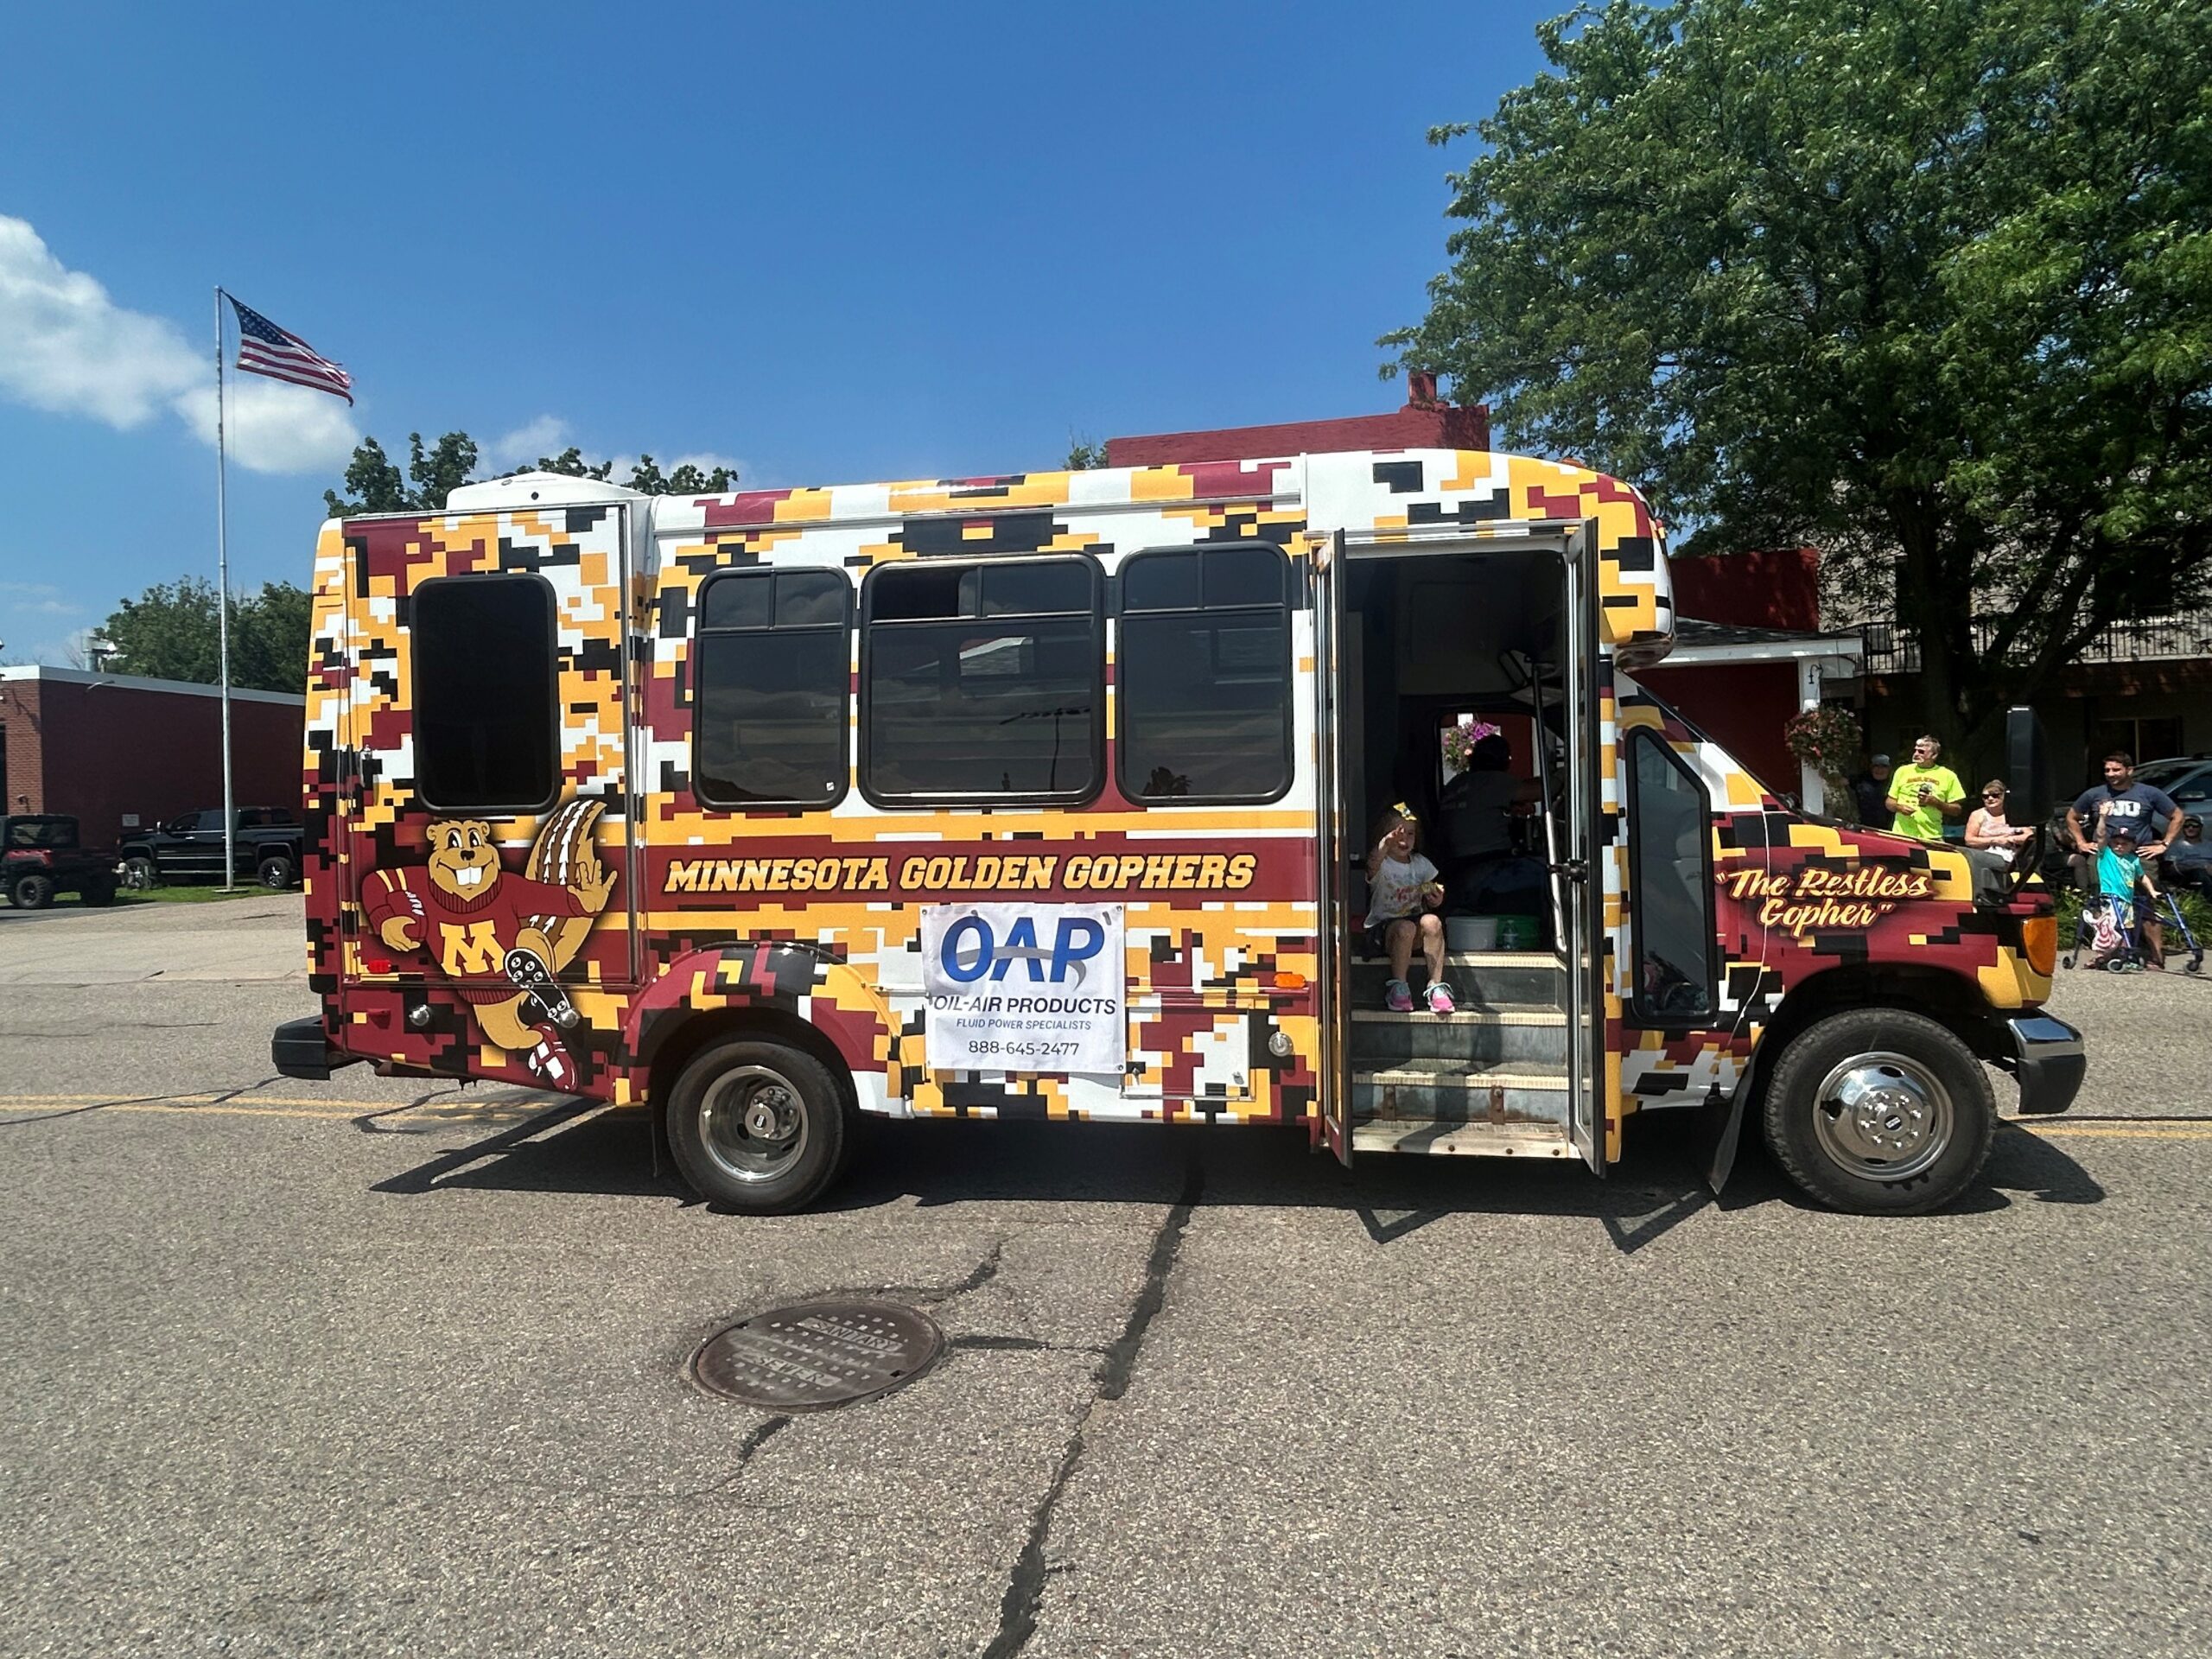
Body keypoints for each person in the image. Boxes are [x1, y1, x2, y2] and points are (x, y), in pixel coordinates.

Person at [1364, 803, 1453, 1014]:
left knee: (1432, 921)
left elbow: (1433, 891)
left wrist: (1436, 899)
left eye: (1411, 834)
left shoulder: (1420, 864)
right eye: (1397, 835)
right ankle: (1399, 987)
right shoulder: (1383, 864)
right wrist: (1384, 845)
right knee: (1405, 927)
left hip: (1412, 927)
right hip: (1383, 931)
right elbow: (1372, 864)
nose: (1404, 840)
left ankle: (1435, 987)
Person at [2067, 751, 2181, 895]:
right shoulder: (2094, 794)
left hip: (2139, 851)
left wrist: (2164, 844)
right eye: (2107, 770)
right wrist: (2081, 842)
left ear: (2129, 770)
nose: (2111, 774)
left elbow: (2177, 816)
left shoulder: (2149, 793)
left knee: (2145, 899)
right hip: (2104, 853)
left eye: (2116, 770)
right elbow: (2072, 817)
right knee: (2102, 897)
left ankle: (2144, 918)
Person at [2093, 823, 2163, 970]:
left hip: (2126, 900)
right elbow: (2100, 836)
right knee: (2109, 927)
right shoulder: (2106, 854)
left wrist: (2152, 891)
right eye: (2116, 843)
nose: (2119, 846)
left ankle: (2124, 956)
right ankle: (2101, 956)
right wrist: (2103, 817)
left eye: (2124, 844)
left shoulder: (2133, 860)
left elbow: (2143, 876)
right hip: (2110, 897)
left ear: (2132, 845)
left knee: (2126, 928)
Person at [1962, 778, 2034, 900]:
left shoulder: (2013, 814)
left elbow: (2029, 835)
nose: (1990, 799)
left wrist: (2011, 839)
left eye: (1995, 795)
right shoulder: (1978, 815)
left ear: (2004, 796)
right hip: (1983, 857)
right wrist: (1995, 840)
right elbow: (1969, 839)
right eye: (1985, 797)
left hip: (2011, 858)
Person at [1885, 734, 1965, 840]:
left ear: (1934, 755)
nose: (1916, 754)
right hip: (1902, 835)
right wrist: (1899, 808)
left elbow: (1957, 810)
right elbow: (1889, 803)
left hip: (1931, 836)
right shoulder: (1902, 771)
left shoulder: (1948, 775)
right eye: (1916, 750)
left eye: (1921, 752)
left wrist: (1936, 803)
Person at [2165, 814, 2212, 900]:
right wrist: (2201, 867)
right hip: (2189, 876)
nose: (2190, 828)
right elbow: (2171, 868)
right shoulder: (2176, 846)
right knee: (2200, 874)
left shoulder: (2209, 845)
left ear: (2201, 827)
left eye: (2195, 826)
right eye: (2187, 826)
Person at [1851, 753, 1894, 829]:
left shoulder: (1895, 784)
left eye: (1884, 766)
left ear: (1890, 768)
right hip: (1863, 826)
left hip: (1888, 829)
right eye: (1876, 766)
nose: (1879, 770)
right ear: (1871, 768)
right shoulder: (1861, 780)